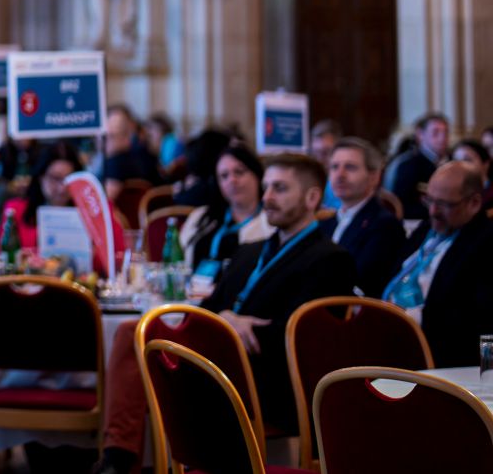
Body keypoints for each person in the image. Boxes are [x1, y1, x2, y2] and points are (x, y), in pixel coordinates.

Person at [92, 154, 356, 474]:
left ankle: (122, 460)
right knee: (133, 332)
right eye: (268, 187)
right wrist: (230, 321)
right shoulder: (250, 251)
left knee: (158, 362)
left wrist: (230, 327)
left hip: (269, 381)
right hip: (218, 363)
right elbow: (206, 312)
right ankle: (118, 457)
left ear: (312, 197)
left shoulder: (330, 259)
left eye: (281, 189)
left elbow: (296, 338)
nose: (268, 197)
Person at [384, 160, 493, 367]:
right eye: (429, 200)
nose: (433, 211)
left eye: (444, 204)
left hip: (439, 352)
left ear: (474, 203)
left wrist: (410, 317)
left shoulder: (486, 244)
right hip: (393, 333)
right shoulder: (428, 228)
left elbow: (478, 321)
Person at [177, 143, 271, 296]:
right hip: (194, 300)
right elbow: (177, 263)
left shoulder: (271, 222)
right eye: (224, 176)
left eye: (239, 172)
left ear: (257, 175)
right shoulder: (201, 218)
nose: (232, 180)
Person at [327, 137, 407, 298]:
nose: (339, 175)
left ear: (374, 177)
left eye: (350, 167)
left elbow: (364, 283)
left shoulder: (384, 226)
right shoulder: (325, 222)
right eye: (334, 167)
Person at [10, 141, 81, 251]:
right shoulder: (15, 211)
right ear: (40, 177)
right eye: (55, 178)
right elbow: (3, 257)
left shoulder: (93, 211)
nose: (62, 188)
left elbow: (115, 255)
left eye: (70, 179)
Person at [386, 111, 451, 219]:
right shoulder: (408, 165)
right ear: (420, 134)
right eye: (436, 133)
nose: (442, 138)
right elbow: (402, 205)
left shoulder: (454, 161)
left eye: (446, 133)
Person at [100, 103, 161, 199]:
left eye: (110, 137)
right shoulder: (143, 154)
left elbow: (107, 200)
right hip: (150, 211)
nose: (106, 143)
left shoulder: (116, 161)